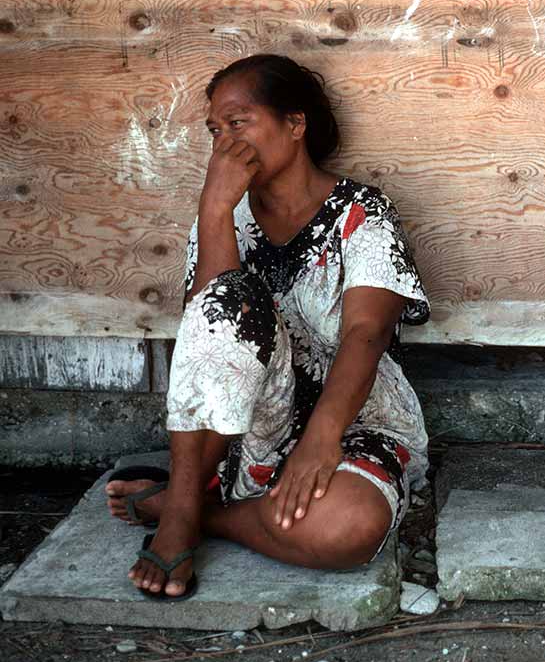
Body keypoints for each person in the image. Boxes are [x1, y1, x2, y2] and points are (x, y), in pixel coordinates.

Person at [105, 54, 431, 599]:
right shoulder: (225, 215)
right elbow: (208, 334)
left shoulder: (363, 211)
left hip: (353, 420)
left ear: (295, 124)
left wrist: (321, 440)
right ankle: (182, 514)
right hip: (251, 428)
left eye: (239, 122)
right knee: (229, 299)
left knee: (349, 526)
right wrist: (214, 209)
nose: (225, 142)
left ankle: (194, 511)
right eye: (215, 130)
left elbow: (366, 334)